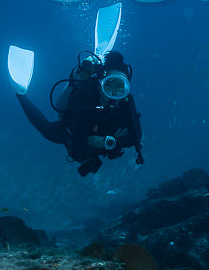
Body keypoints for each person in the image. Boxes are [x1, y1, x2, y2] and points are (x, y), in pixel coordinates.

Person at [16, 50, 144, 176]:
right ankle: (20, 93)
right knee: (47, 130)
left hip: (102, 138)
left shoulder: (126, 103)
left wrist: (109, 141)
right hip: (75, 130)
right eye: (109, 84)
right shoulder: (87, 95)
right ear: (100, 84)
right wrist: (98, 140)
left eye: (120, 86)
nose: (114, 93)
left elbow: (136, 136)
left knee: (88, 150)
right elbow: (77, 132)